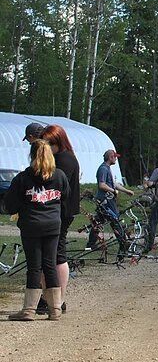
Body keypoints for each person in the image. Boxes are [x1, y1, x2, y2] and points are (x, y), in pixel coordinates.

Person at [5, 140, 70, 320]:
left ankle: (29, 310)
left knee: (34, 267)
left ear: (32, 155)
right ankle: (55, 309)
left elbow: (10, 205)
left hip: (31, 226)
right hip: (52, 225)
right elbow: (66, 197)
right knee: (49, 265)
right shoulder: (59, 176)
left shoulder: (23, 178)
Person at [37, 124, 80, 315]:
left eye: (49, 143)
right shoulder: (66, 157)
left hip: (61, 212)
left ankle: (58, 298)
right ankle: (50, 296)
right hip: (59, 212)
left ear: (58, 142)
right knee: (52, 254)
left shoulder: (64, 160)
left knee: (58, 255)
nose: (46, 147)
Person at [96, 149, 134, 220]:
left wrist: (127, 191)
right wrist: (113, 191)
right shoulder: (103, 169)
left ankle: (92, 230)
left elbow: (113, 184)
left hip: (108, 198)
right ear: (110, 157)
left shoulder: (107, 168)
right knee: (115, 218)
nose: (116, 159)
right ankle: (119, 231)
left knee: (100, 220)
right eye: (115, 157)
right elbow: (102, 185)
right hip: (105, 199)